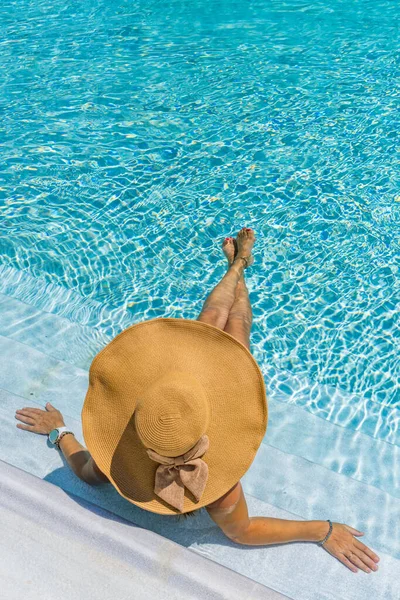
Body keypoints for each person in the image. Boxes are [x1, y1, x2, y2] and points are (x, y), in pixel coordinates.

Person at [15, 227, 380, 575]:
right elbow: (243, 532)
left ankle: (235, 265)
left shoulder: (119, 461)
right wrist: (323, 530)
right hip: (203, 398)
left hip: (178, 393)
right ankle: (239, 267)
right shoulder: (219, 492)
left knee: (208, 320)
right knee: (236, 329)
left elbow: (85, 473)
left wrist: (60, 431)